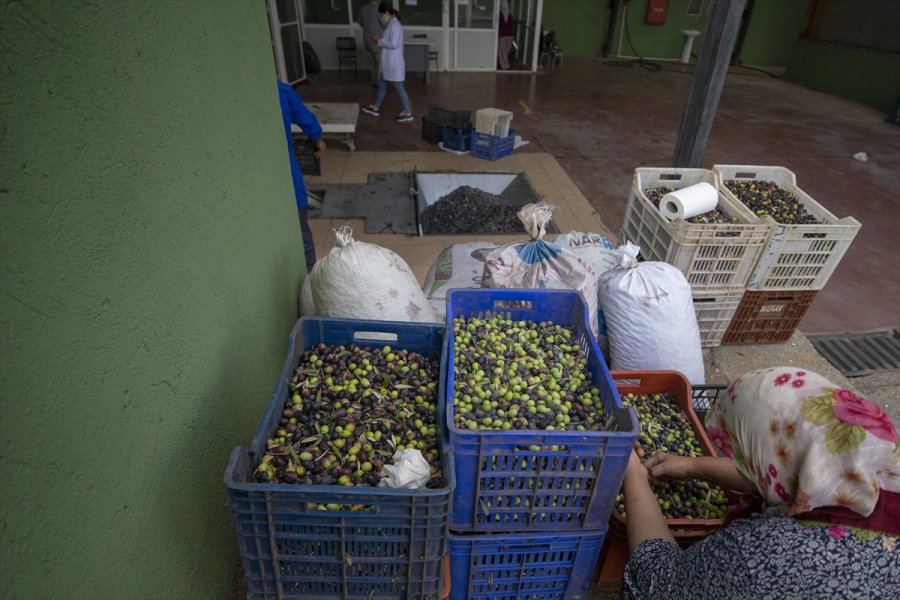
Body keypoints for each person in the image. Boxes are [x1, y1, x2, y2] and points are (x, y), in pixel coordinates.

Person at [621, 366, 900, 599]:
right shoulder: (873, 469)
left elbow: (657, 581)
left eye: (744, 456)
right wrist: (692, 466)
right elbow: (778, 480)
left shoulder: (765, 553)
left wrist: (630, 469)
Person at [277, 80, 326, 273]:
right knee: (302, 231)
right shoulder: (281, 91)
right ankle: (310, 275)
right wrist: (318, 138)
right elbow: (304, 117)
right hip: (286, 169)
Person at [360, 3, 413, 123]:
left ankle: (408, 113)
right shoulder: (391, 25)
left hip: (394, 64)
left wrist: (379, 40)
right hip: (389, 64)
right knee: (382, 84)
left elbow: (393, 44)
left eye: (381, 15)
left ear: (387, 13)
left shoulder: (395, 26)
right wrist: (381, 40)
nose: (381, 18)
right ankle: (375, 107)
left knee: (399, 87)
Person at [358, 0, 382, 88]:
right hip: (376, 39)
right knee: (379, 61)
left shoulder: (363, 9)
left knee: (371, 62)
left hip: (366, 39)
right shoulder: (378, 9)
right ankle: (378, 82)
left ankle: (374, 82)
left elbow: (361, 23)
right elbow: (384, 23)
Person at [497, 0, 513, 70]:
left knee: (506, 50)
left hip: (508, 34)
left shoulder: (509, 14)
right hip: (503, 34)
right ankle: (505, 65)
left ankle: (501, 63)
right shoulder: (500, 14)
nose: (505, 7)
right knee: (503, 50)